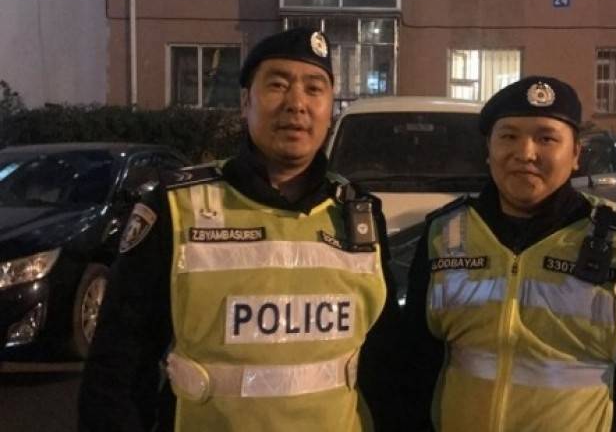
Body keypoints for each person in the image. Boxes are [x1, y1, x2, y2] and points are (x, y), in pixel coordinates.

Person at [79, 27, 399, 432]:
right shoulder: (176, 209)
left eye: (314, 89)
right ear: (246, 102)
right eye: (278, 85)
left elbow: (388, 366)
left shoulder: (359, 217)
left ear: (330, 109)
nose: (297, 103)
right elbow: (118, 369)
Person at [402, 76, 616, 431]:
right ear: (488, 150)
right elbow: (413, 365)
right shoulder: (445, 234)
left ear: (575, 154)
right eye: (508, 137)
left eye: (546, 138)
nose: (525, 153)